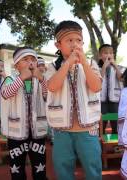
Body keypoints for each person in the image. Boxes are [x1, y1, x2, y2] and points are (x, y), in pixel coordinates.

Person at [46, 20, 102, 180]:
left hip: (88, 128)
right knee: (63, 168)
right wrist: (67, 63)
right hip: (61, 129)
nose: (75, 44)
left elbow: (96, 86)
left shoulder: (90, 63)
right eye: (69, 40)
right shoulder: (53, 67)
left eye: (78, 40)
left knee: (93, 167)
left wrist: (83, 63)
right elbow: (52, 87)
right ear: (58, 45)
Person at [0, 47, 48, 180]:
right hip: (16, 133)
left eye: (33, 59)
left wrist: (42, 79)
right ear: (16, 65)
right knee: (17, 169)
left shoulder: (40, 80)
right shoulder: (10, 79)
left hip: (37, 131)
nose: (31, 63)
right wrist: (21, 78)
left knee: (40, 167)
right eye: (25, 60)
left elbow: (47, 96)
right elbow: (6, 93)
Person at [98, 44, 123, 134]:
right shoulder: (97, 68)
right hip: (101, 100)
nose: (109, 55)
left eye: (111, 53)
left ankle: (116, 143)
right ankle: (101, 141)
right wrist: (104, 66)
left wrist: (115, 66)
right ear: (100, 56)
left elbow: (121, 78)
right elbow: (98, 79)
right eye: (105, 53)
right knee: (101, 123)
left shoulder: (119, 67)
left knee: (115, 123)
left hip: (115, 99)